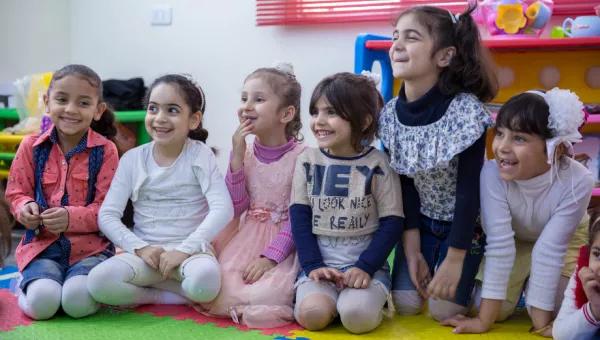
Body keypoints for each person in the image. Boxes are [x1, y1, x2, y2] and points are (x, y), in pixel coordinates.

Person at [378, 5, 498, 320]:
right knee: (405, 305)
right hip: (421, 225)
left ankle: (480, 279)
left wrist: (455, 258)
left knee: (442, 311)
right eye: (395, 37)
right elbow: (404, 184)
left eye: (411, 37)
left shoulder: (464, 112)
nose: (397, 45)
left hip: (466, 227)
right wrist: (413, 249)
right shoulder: (389, 115)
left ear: (444, 56)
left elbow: (468, 190)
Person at [87, 74, 234, 307]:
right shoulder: (133, 159)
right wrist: (141, 248)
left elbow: (223, 208)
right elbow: (106, 215)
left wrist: (185, 250)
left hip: (191, 256)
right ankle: (164, 296)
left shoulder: (199, 154)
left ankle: (166, 289)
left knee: (206, 282)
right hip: (147, 257)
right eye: (153, 108)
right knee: (98, 282)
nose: (160, 118)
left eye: (172, 110)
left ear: (194, 119)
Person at [291, 72, 404, 334]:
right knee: (312, 317)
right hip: (320, 267)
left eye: (331, 112)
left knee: (357, 318)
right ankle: (327, 302)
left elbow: (392, 222)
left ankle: (363, 302)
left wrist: (365, 266)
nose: (319, 121)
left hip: (366, 269)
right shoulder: (307, 162)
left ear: (363, 121)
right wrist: (313, 266)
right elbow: (299, 219)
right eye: (315, 111)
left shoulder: (379, 164)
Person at [5, 64, 119, 319]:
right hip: (42, 248)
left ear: (98, 110)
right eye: (62, 99)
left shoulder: (107, 151)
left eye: (83, 102)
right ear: (47, 103)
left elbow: (109, 209)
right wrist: (25, 208)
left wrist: (72, 217)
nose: (70, 109)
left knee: (76, 303)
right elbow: (15, 193)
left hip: (91, 250)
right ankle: (25, 283)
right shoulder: (30, 146)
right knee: (43, 304)